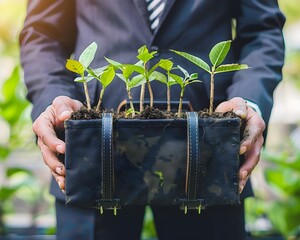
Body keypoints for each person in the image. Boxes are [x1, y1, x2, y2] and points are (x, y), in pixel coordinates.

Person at [19, 0, 285, 239]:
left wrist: (248, 102)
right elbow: (43, 36)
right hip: (91, 148)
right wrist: (52, 102)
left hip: (208, 147)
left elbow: (262, 31)